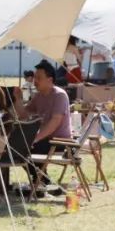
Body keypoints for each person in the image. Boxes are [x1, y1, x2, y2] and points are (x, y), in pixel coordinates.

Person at [25, 60, 72, 196]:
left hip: (60, 141)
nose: (35, 81)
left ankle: (41, 181)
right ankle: (42, 180)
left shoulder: (59, 95)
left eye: (39, 78)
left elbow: (54, 122)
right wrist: (15, 100)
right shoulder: (38, 96)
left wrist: (35, 138)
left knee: (26, 147)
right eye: (34, 78)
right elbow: (23, 114)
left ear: (50, 79)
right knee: (19, 147)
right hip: (45, 140)